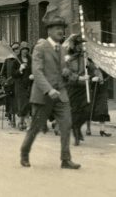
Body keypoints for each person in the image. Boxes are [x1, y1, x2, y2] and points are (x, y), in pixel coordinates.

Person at [20, 16, 80, 169]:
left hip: (61, 94)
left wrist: (78, 77)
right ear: (49, 30)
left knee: (66, 125)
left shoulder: (61, 48)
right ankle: (24, 153)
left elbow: (63, 71)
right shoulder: (40, 47)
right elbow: (37, 72)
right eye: (57, 28)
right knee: (36, 127)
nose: (61, 31)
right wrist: (49, 89)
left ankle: (65, 159)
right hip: (43, 96)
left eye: (62, 28)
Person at [62, 34, 94, 146]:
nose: (82, 46)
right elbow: (65, 72)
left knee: (87, 111)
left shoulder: (85, 57)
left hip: (84, 88)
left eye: (83, 44)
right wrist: (78, 77)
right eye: (80, 44)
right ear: (74, 45)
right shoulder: (67, 58)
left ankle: (78, 127)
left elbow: (92, 68)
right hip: (73, 88)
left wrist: (95, 75)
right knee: (75, 111)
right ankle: (76, 133)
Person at [11, 41, 32, 131]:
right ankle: (27, 123)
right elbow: (13, 74)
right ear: (21, 50)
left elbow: (34, 69)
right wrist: (19, 70)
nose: (25, 51)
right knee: (22, 103)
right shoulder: (16, 61)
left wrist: (33, 75)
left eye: (26, 50)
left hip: (29, 84)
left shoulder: (30, 60)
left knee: (27, 103)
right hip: (20, 85)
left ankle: (21, 122)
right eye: (23, 49)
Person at [86, 67, 111, 137]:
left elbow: (108, 77)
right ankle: (88, 129)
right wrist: (91, 79)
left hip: (102, 91)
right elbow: (85, 79)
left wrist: (103, 79)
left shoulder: (104, 67)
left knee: (103, 110)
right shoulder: (88, 66)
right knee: (90, 109)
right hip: (92, 91)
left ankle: (102, 130)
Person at [0, 42, 20, 127]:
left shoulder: (22, 60)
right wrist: (4, 82)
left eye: (18, 48)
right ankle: (11, 118)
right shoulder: (8, 60)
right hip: (9, 85)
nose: (16, 50)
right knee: (10, 102)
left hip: (20, 85)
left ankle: (20, 120)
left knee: (20, 103)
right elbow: (1, 74)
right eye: (14, 49)